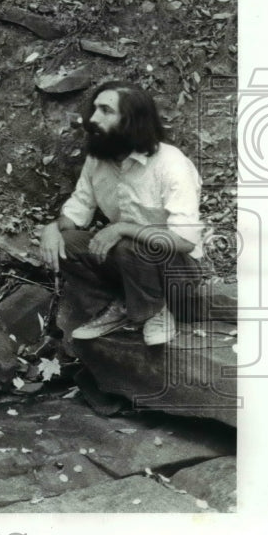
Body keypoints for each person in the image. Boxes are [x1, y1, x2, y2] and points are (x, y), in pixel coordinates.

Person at [39, 81, 204, 346]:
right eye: (94, 110)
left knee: (130, 243)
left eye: (105, 111)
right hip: (131, 267)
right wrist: (51, 229)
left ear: (132, 121)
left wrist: (123, 228)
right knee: (66, 244)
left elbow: (185, 241)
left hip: (177, 273)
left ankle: (155, 312)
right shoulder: (97, 161)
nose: (93, 119)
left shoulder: (171, 164)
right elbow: (76, 213)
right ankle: (119, 308)